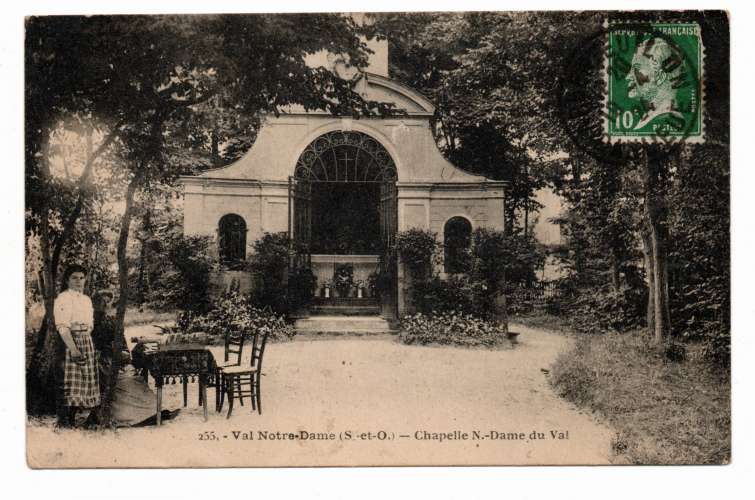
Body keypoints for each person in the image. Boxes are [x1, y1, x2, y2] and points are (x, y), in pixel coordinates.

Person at [54, 264, 100, 427]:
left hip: (86, 339)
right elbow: (62, 326)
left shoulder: (86, 300)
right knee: (72, 380)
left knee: (88, 379)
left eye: (81, 278)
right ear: (67, 280)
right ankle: (67, 420)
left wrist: (86, 334)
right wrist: (73, 348)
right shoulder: (63, 299)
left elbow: (91, 323)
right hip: (70, 340)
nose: (78, 281)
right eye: (74, 278)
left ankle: (90, 418)